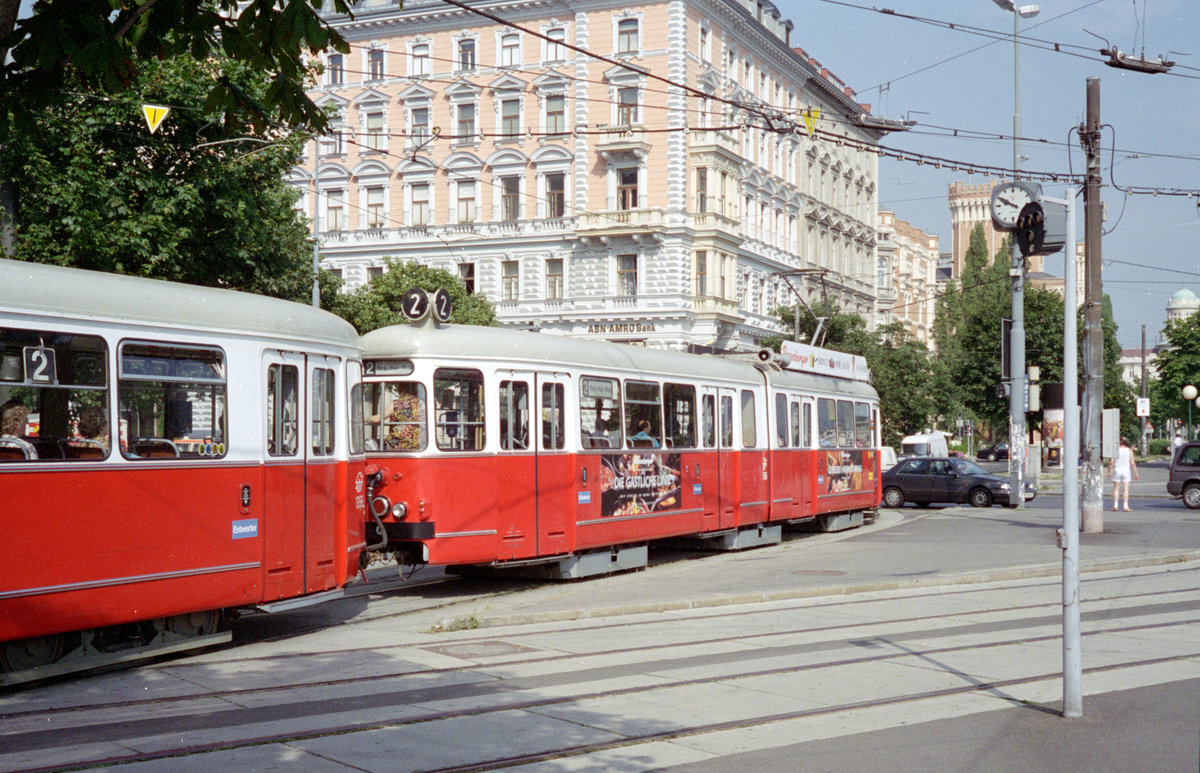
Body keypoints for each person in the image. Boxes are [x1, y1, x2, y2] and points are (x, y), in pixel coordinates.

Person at [1108, 436, 1138, 512]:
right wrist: (1135, 473)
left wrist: (1109, 471)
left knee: (1116, 489)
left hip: (1117, 470)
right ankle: (1125, 506)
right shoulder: (1129, 450)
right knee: (1126, 489)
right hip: (1126, 471)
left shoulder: (1115, 451)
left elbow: (1111, 462)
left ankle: (1115, 505)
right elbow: (1132, 463)